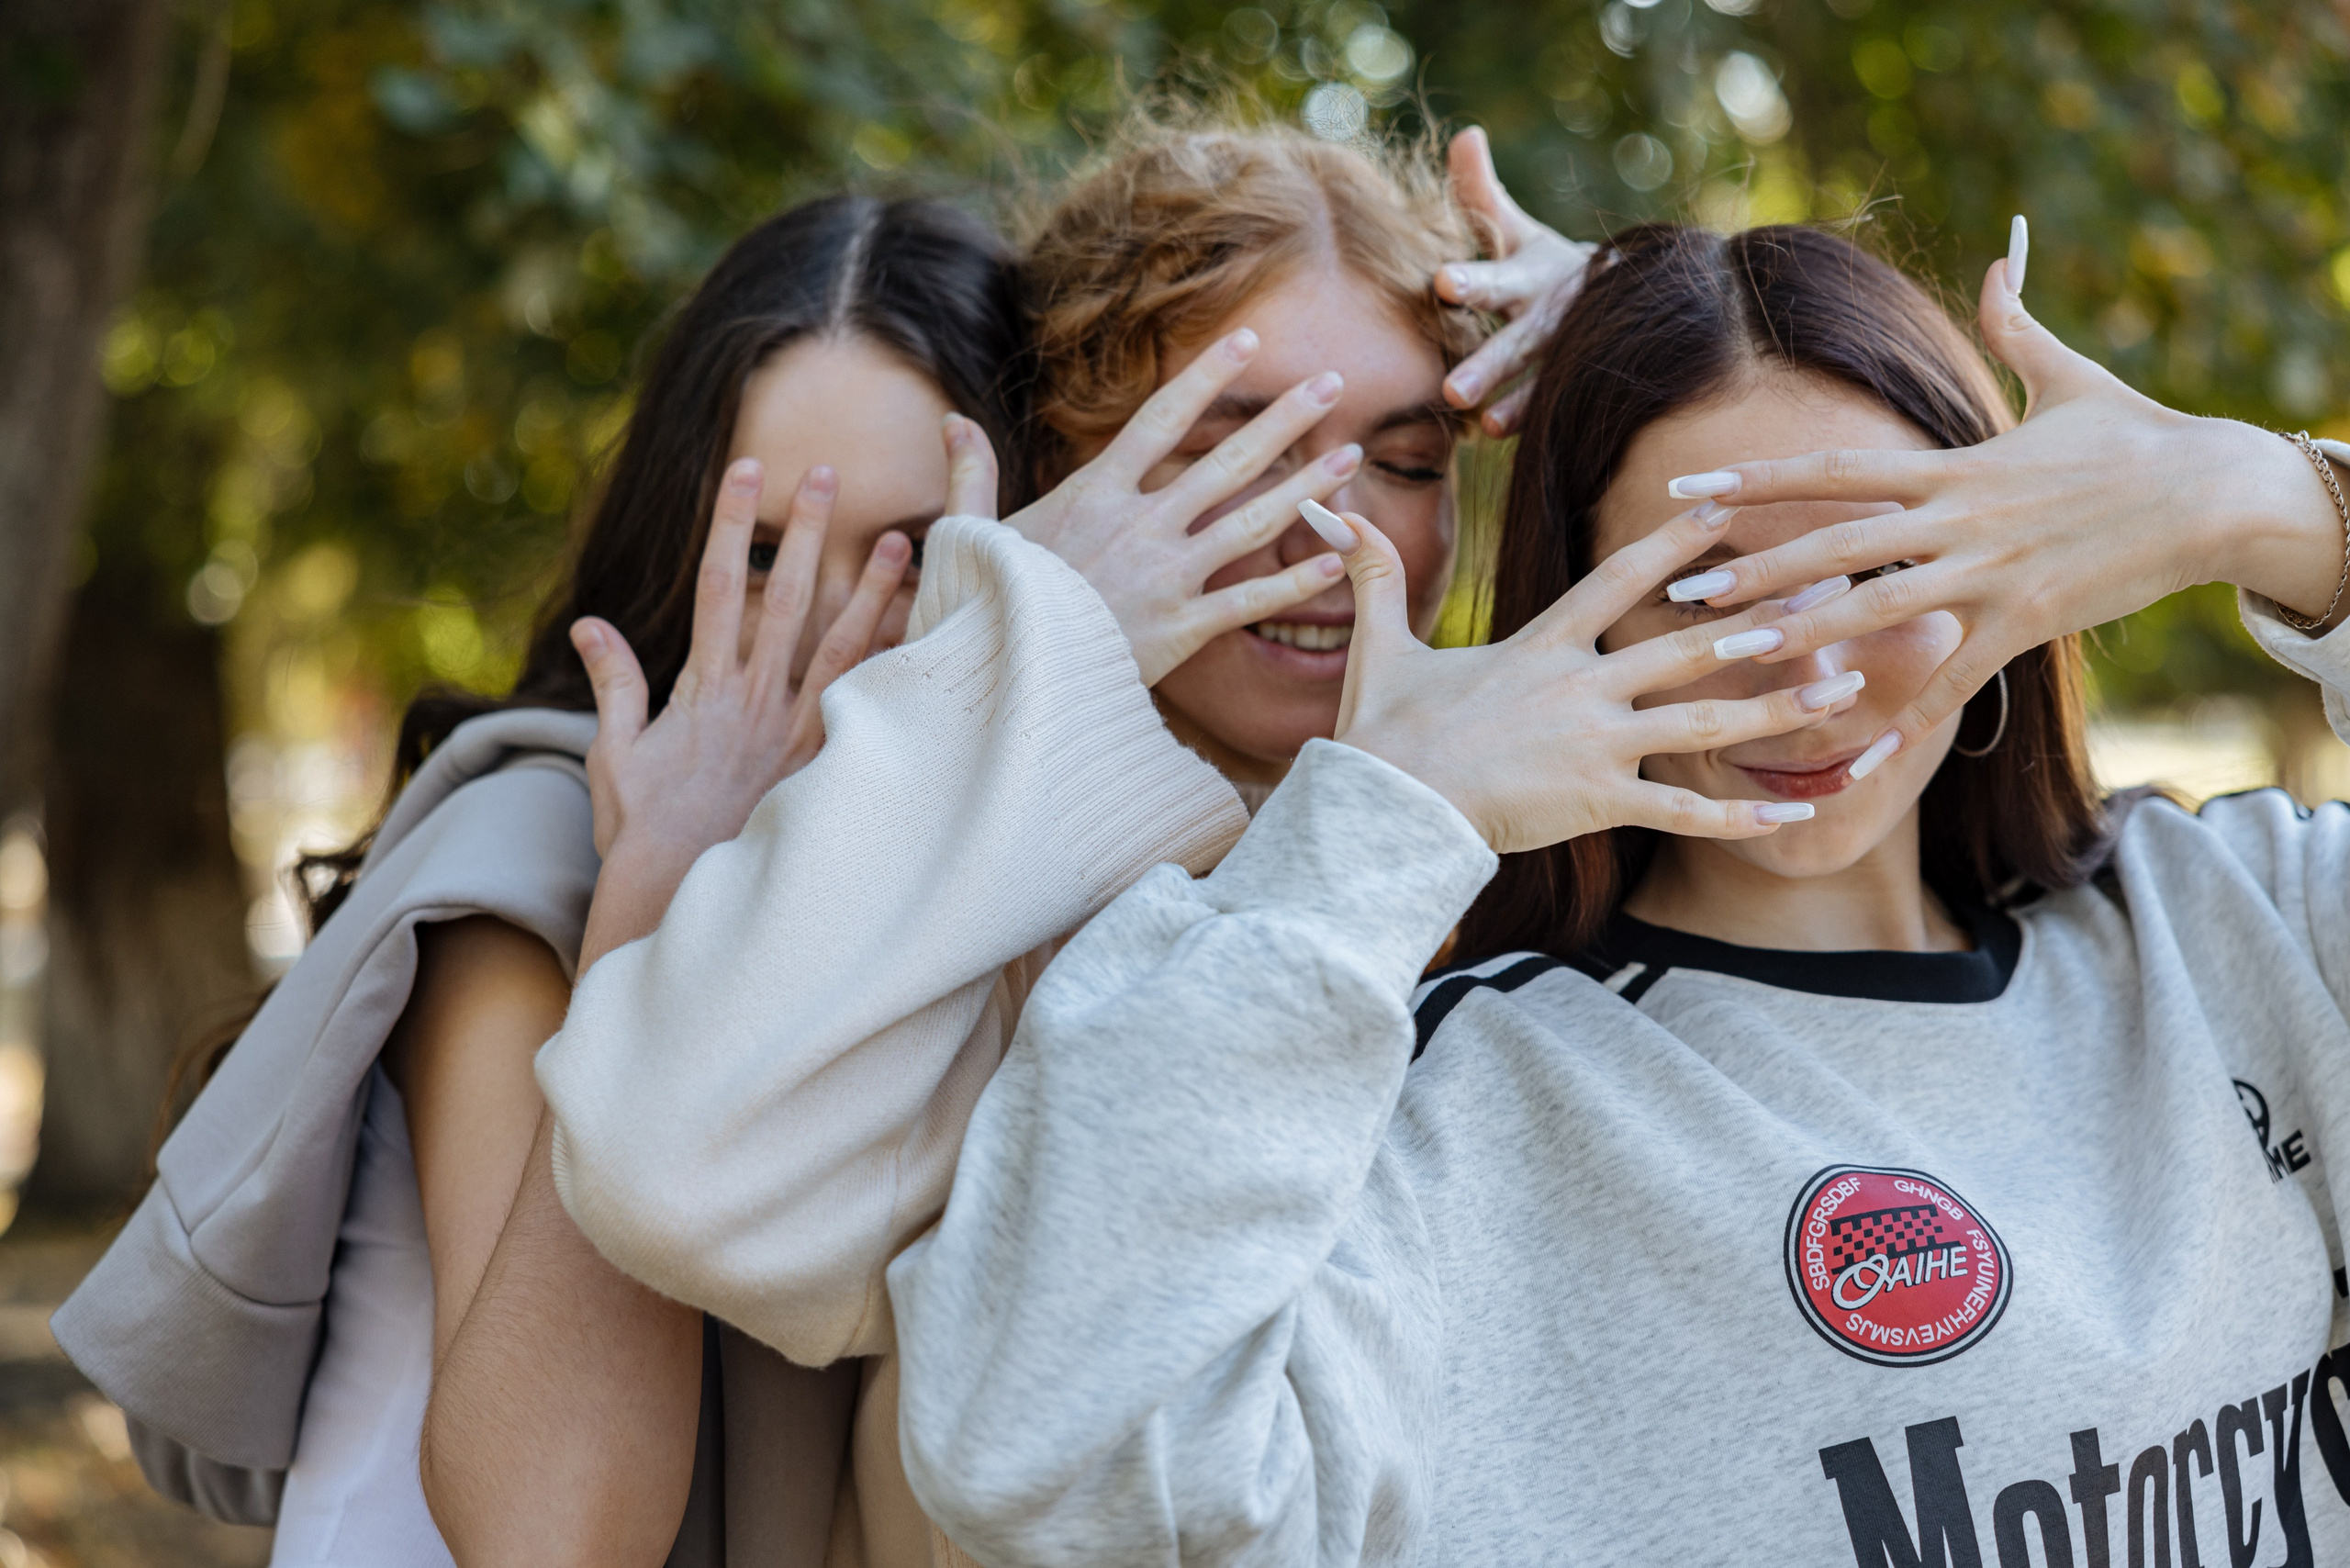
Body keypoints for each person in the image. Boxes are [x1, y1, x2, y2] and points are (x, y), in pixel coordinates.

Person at [882, 219, 2350, 1567]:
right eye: (1703, 594)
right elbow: (1047, 1452)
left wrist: (2271, 503)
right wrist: (1392, 820)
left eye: (1880, 568)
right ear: (1567, 610)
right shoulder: (1458, 1097)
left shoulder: (2240, 920)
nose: (1810, 675)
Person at [534, 115, 1483, 1567]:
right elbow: (678, 1171)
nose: (1333, 529)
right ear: (1069, 464)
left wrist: (1628, 330)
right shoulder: (979, 902)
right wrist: (1039, 637)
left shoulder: (1533, 852)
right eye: (1237, 448)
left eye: (1407, 459)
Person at [50, 193, 1040, 1568]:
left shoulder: (973, 879)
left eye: (916, 556)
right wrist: (653, 905)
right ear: (673, 548)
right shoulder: (533, 859)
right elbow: (552, 1539)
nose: (834, 631)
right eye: (763, 555)